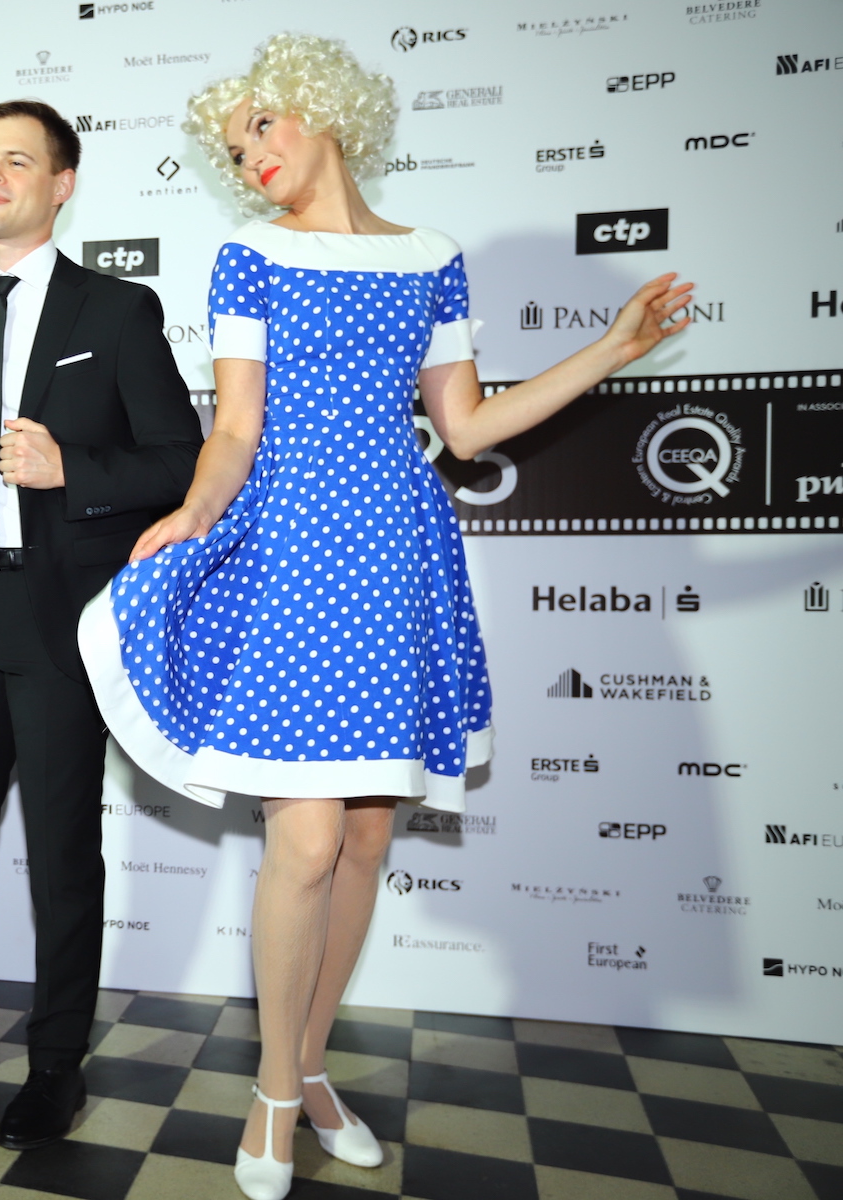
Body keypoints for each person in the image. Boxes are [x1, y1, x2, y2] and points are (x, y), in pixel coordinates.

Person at [78, 33, 695, 1200]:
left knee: (366, 839)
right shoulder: (250, 256)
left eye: (263, 127)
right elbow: (235, 429)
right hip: (292, 551)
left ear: (321, 111)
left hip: (397, 552)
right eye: (234, 147)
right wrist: (194, 515)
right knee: (306, 840)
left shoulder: (431, 256)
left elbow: (466, 428)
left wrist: (612, 349)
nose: (250, 156)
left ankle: (311, 1070)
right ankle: (272, 1095)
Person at [0, 100, 203, 1151]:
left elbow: (181, 461)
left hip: (59, 615)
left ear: (62, 185)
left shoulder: (115, 310)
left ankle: (57, 1063)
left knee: (63, 848)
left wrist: (73, 468)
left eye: (16, 161)